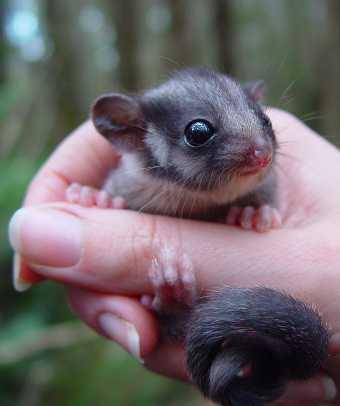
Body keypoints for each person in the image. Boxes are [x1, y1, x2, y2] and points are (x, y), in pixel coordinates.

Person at [8, 108, 340, 405]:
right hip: (195, 322)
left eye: (263, 122)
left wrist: (260, 211)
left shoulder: (261, 190)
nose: (261, 150)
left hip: (261, 339)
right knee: (160, 302)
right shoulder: (130, 182)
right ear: (135, 136)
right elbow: (113, 194)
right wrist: (91, 199)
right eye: (200, 133)